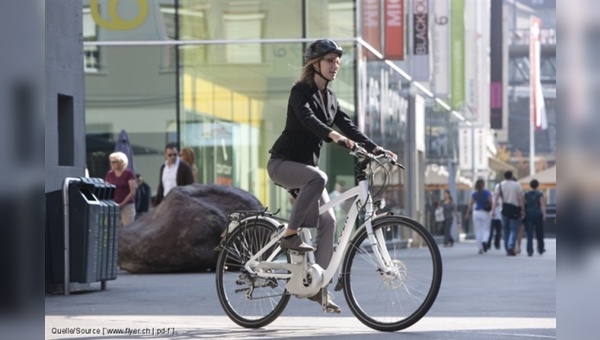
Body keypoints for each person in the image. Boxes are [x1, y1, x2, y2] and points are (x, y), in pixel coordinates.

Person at [266, 39, 397, 313]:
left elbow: (348, 125)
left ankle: (318, 285)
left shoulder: (331, 98)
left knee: (329, 219)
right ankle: (289, 235)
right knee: (319, 177)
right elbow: (306, 119)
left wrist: (376, 148)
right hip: (282, 163)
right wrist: (333, 135)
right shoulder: (300, 91)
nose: (335, 66)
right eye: (330, 60)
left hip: (306, 173)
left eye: (338, 61)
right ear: (315, 64)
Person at [491, 171, 525, 256]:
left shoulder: (499, 185)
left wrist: (493, 210)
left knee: (506, 230)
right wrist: (522, 209)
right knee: (513, 229)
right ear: (511, 176)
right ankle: (511, 246)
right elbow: (520, 198)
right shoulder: (517, 185)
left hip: (504, 210)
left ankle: (507, 247)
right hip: (515, 209)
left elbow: (496, 199)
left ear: (504, 176)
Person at [105, 151, 137, 227]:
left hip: (127, 206)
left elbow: (133, 192)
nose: (112, 164)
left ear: (121, 162)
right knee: (112, 228)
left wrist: (122, 204)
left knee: (128, 228)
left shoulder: (128, 173)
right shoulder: (110, 174)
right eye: (111, 162)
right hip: (113, 206)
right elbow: (106, 189)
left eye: (114, 162)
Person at [465, 179, 493, 254]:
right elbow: (491, 202)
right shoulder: (487, 193)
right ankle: (484, 241)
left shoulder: (474, 193)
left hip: (476, 212)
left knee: (478, 230)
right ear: (483, 184)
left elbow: (470, 204)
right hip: (485, 212)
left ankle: (480, 247)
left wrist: (467, 213)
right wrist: (492, 210)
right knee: (486, 229)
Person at [523, 179, 547, 256]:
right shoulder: (539, 194)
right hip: (538, 214)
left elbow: (523, 204)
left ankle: (529, 250)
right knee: (539, 232)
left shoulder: (526, 194)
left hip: (529, 213)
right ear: (537, 185)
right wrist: (544, 214)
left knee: (529, 233)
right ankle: (540, 248)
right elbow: (542, 205)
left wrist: (523, 212)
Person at [487, 184, 503, 250]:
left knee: (498, 232)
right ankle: (488, 244)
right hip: (491, 216)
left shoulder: (502, 197)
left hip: (499, 216)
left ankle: (497, 244)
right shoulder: (491, 195)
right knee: (490, 231)